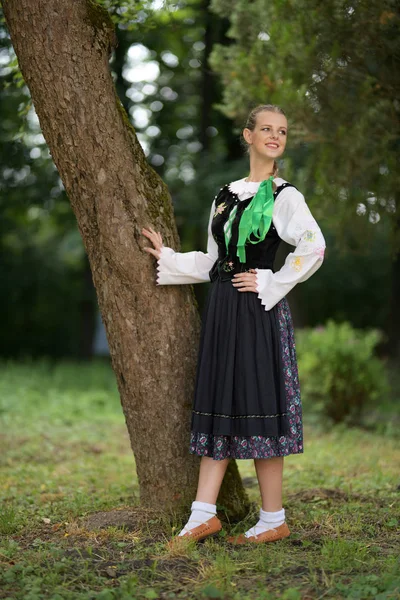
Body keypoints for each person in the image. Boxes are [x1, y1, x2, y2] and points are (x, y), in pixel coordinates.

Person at [142, 104, 326, 547]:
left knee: (261, 402)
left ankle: (272, 519)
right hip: (223, 309)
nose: (275, 136)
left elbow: (314, 246)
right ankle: (202, 516)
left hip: (259, 308)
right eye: (266, 128)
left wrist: (272, 279)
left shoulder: (285, 195)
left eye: (281, 131)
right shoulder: (225, 194)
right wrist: (167, 256)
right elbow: (212, 260)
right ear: (248, 135)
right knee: (220, 398)